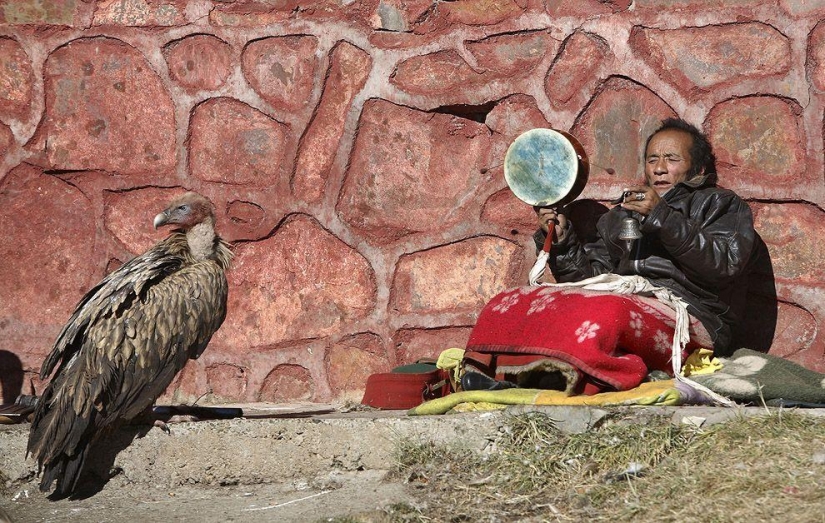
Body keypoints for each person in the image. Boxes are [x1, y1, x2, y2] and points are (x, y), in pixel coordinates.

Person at [533, 117, 756, 353]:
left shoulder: (720, 203)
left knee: (610, 315)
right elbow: (588, 284)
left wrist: (662, 217)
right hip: (624, 302)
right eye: (652, 160)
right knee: (534, 304)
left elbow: (723, 266)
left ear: (698, 169)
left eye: (671, 159)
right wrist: (563, 243)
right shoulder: (619, 217)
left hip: (692, 315)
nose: (659, 168)